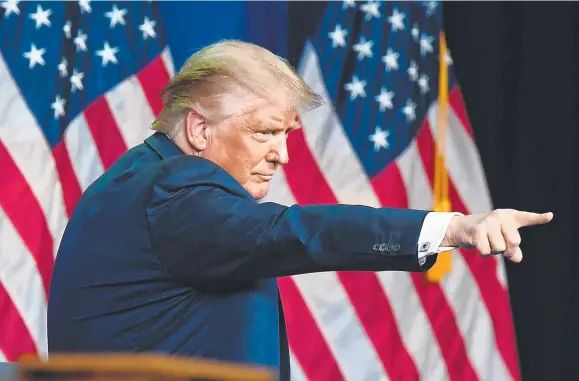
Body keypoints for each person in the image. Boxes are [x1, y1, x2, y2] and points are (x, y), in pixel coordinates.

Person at [47, 40, 552, 380]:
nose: (281, 155)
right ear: (199, 129)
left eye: (285, 135)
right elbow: (294, 231)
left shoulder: (130, 181)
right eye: (264, 132)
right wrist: (453, 228)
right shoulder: (176, 188)